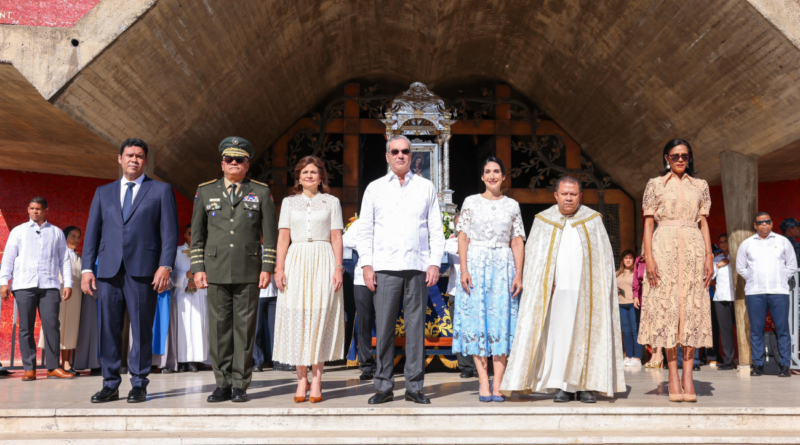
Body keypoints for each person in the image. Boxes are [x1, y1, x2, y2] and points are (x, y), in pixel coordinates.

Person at [501, 176, 625, 403]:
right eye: (565, 194)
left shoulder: (593, 220)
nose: (569, 198)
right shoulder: (543, 220)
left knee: (585, 337)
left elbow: (604, 260)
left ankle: (586, 385)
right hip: (556, 292)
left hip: (585, 292)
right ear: (556, 195)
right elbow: (535, 261)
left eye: (573, 194)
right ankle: (562, 386)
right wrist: (544, 281)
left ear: (580, 196)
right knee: (559, 337)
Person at [82, 138, 179, 403]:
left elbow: (169, 233)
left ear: (145, 161)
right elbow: (92, 233)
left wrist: (165, 265)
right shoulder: (103, 192)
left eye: (139, 156)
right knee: (109, 329)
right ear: (119, 158)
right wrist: (87, 268)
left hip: (144, 270)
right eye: (129, 155)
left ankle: (139, 383)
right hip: (109, 271)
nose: (134, 160)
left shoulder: (160, 190)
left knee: (141, 328)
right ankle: (110, 383)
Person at [359, 135, 445, 405]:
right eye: (395, 151)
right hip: (385, 267)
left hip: (417, 268)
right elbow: (365, 230)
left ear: (411, 155)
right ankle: (383, 386)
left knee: (416, 329)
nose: (400, 155)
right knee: (383, 329)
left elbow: (435, 228)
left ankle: (414, 386)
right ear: (387, 156)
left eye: (405, 151)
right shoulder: (374, 188)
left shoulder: (425, 186)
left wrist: (434, 262)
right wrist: (367, 264)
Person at [191, 136, 277, 403]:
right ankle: (222, 383)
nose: (234, 163)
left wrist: (267, 267)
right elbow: (197, 234)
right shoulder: (206, 191)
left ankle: (240, 383)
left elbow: (270, 234)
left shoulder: (260, 192)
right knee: (219, 329)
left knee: (245, 328)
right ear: (222, 163)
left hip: (249, 269)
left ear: (247, 165)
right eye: (229, 159)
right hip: (215, 269)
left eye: (239, 160)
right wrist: (198, 267)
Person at [638, 138, 713, 403]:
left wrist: (708, 255)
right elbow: (648, 224)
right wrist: (649, 257)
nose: (680, 159)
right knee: (667, 309)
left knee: (691, 309)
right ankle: (672, 376)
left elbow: (703, 222)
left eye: (684, 155)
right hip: (663, 247)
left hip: (693, 248)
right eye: (674, 155)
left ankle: (688, 376)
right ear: (666, 158)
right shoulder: (655, 184)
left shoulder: (701, 186)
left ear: (690, 158)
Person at [272, 156, 345, 403]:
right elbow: (283, 239)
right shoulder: (289, 202)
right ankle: (301, 378)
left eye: (314, 172)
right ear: (298, 176)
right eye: (305, 172)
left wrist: (338, 267)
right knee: (298, 318)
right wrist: (278, 268)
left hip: (324, 259)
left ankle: (317, 379)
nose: (309, 176)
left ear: (321, 176)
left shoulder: (332, 202)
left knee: (319, 317)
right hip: (297, 259)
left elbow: (336, 237)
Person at [452, 157, 525, 402]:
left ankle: (499, 383)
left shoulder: (512, 205)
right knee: (478, 322)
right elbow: (463, 238)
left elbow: (516, 241)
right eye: (487, 172)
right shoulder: (471, 202)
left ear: (504, 176)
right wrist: (463, 269)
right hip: (476, 263)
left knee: (500, 322)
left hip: (503, 266)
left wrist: (518, 274)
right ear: (482, 177)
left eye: (496, 171)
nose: (492, 175)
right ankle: (483, 382)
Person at [0, 197, 74, 381]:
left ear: (46, 211)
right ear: (28, 209)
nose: (34, 212)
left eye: (38, 209)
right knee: (25, 327)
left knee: (52, 326)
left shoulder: (56, 232)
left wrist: (68, 283)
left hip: (49, 285)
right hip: (24, 285)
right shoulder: (18, 231)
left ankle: (52, 368)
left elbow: (64, 260)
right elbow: (8, 257)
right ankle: (29, 368)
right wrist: (4, 282)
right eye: (32, 208)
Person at [736, 212, 797, 378]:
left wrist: (781, 278)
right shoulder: (746, 244)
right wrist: (753, 277)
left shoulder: (782, 241)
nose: (764, 225)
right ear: (755, 225)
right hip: (755, 292)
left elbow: (792, 265)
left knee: (782, 329)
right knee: (756, 330)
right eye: (760, 222)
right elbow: (740, 267)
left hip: (779, 291)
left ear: (771, 224)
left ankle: (785, 365)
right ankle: (758, 365)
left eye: (767, 222)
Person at [36, 226, 83, 374]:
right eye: (72, 236)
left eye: (78, 237)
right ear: (64, 237)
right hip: (60, 291)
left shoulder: (80, 258)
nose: (76, 239)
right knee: (57, 326)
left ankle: (67, 363)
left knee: (70, 328)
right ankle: (54, 363)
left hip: (76, 295)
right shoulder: (58, 255)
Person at [342, 216, 378, 380]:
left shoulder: (389, 220)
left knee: (386, 322)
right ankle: (366, 365)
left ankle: (384, 364)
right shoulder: (359, 223)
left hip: (385, 277)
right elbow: (345, 240)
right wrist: (365, 245)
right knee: (364, 322)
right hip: (360, 278)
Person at [444, 212, 477, 379]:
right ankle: (466, 366)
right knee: (461, 331)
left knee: (478, 330)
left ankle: (480, 365)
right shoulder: (449, 243)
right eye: (459, 227)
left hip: (477, 292)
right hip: (457, 293)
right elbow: (454, 248)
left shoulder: (480, 243)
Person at [172, 224, 209, 372]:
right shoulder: (176, 252)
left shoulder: (206, 252)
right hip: (182, 296)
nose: (193, 236)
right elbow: (171, 274)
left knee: (200, 327)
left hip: (200, 293)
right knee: (183, 328)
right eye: (190, 233)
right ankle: (182, 361)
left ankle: (196, 360)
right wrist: (185, 277)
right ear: (185, 235)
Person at [253, 235, 280, 373]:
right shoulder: (254, 250)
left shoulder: (275, 251)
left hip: (273, 293)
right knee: (256, 330)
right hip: (258, 293)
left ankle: (276, 360)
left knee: (274, 330)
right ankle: (258, 361)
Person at [711, 234, 736, 371]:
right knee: (725, 331)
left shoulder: (738, 257)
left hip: (736, 299)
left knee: (742, 329)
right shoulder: (717, 259)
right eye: (721, 242)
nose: (723, 244)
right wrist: (718, 266)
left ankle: (748, 360)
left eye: (725, 242)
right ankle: (728, 361)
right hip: (720, 299)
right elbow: (708, 276)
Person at [616, 249, 642, 367]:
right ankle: (629, 356)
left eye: (630, 258)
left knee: (635, 330)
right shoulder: (618, 273)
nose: (628, 260)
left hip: (633, 304)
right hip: (621, 304)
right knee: (626, 331)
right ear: (622, 260)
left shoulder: (636, 272)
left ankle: (637, 357)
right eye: (626, 258)